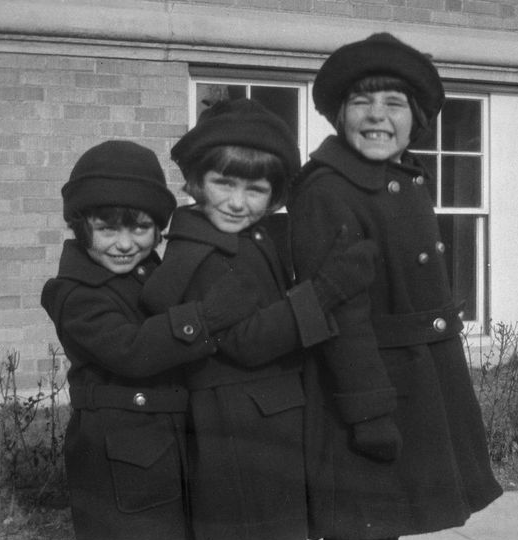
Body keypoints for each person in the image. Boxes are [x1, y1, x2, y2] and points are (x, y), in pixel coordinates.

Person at [288, 32, 503, 540]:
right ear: (339, 115)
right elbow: (339, 315)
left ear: (416, 120)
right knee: (363, 523)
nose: (377, 115)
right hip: (368, 387)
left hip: (418, 379)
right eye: (361, 101)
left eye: (394, 103)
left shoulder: (401, 177)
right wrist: (369, 415)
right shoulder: (329, 189)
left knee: (389, 521)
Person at [141, 98, 378, 540]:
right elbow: (245, 341)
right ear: (195, 182)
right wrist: (327, 289)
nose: (236, 202)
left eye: (255, 190)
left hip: (267, 415)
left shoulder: (252, 236)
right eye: (224, 183)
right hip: (236, 426)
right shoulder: (199, 253)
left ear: (274, 196)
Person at [40, 140, 263, 540]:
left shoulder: (152, 272)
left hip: (169, 447)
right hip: (119, 462)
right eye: (107, 229)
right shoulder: (74, 294)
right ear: (79, 225)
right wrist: (209, 316)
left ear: (159, 228)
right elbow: (133, 351)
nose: (126, 245)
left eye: (141, 227)